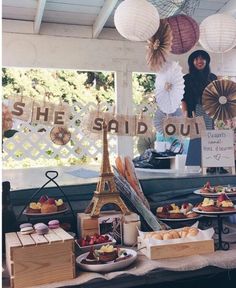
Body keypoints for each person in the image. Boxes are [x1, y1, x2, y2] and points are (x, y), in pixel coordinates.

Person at [182, 50, 228, 174]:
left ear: (206, 61)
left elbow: (219, 95)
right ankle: (195, 165)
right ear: (192, 62)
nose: (199, 61)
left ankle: (214, 165)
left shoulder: (212, 77)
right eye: (196, 59)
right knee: (196, 137)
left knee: (211, 137)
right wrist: (185, 114)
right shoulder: (186, 78)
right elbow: (184, 99)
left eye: (202, 58)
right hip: (195, 110)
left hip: (211, 110)